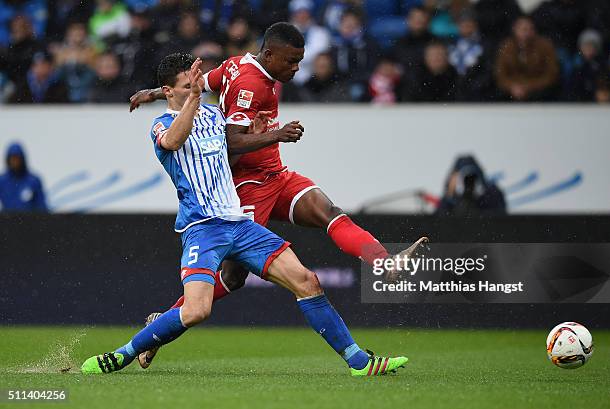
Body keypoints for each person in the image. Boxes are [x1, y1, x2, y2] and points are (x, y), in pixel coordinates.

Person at [80, 53, 408, 376]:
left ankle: (359, 363)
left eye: (195, 83)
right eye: (185, 85)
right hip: (203, 229)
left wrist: (259, 131)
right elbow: (174, 140)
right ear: (169, 92)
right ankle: (123, 354)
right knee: (197, 310)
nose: (194, 88)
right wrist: (193, 98)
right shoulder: (161, 125)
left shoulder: (213, 116)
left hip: (240, 225)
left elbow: (234, 144)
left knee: (307, 281)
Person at [494, 16, 559, 102]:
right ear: (515, 30)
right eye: (523, 29)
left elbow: (551, 74)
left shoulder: (545, 46)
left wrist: (528, 87)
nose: (527, 33)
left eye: (530, 29)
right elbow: (500, 73)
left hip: (538, 90)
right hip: (511, 90)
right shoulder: (506, 46)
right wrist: (512, 86)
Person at [435, 155, 506, 216]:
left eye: (473, 178)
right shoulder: (448, 201)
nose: (469, 183)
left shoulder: (492, 196)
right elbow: (435, 226)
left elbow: (502, 221)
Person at [0, 142, 48, 212]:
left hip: (29, 221)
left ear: (22, 159)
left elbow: (42, 207)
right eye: (12, 158)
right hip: (7, 221)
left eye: (17, 158)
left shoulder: (33, 181)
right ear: (8, 160)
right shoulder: (2, 181)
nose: (15, 162)